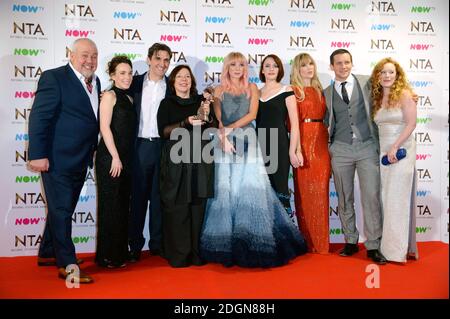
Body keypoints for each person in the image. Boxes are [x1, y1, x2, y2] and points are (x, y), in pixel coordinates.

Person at [200, 52, 307, 268]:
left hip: (247, 142)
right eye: (233, 64)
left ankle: (253, 242)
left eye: (241, 64)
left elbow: (252, 116)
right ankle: (226, 244)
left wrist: (229, 130)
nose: (237, 68)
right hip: (225, 145)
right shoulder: (218, 90)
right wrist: (223, 135)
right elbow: (219, 118)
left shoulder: (253, 89)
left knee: (250, 192)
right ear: (227, 67)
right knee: (226, 193)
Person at [28, 38, 100, 283]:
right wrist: (38, 154)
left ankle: (49, 251)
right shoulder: (54, 78)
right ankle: (67, 264)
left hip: (81, 158)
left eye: (94, 55)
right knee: (60, 209)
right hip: (57, 159)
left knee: (64, 209)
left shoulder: (96, 82)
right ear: (71, 55)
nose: (89, 60)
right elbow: (39, 118)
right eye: (84, 55)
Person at [324, 49, 386, 264]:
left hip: (367, 146)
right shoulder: (325, 92)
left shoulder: (367, 82)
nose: (343, 66)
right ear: (331, 66)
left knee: (371, 196)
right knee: (344, 197)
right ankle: (350, 240)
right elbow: (323, 122)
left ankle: (374, 245)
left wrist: (409, 97)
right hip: (340, 149)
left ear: (352, 63)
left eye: (347, 62)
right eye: (339, 63)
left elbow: (390, 92)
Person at [157, 65, 217, 268]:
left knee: (198, 206)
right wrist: (185, 122)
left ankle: (196, 253)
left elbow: (213, 127)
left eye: (187, 77)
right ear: (173, 82)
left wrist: (207, 116)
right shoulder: (166, 103)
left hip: (200, 159)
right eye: (179, 77)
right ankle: (179, 255)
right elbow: (163, 131)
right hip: (176, 161)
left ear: (192, 81)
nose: (184, 80)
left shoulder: (202, 102)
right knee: (178, 206)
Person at [370, 57, 418, 263]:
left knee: (397, 199)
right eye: (383, 72)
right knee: (387, 199)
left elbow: (411, 123)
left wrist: (396, 146)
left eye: (391, 72)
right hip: (384, 153)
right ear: (377, 76)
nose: (387, 76)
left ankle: (396, 252)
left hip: (401, 150)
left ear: (397, 75)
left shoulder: (405, 94)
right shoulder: (377, 96)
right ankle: (389, 247)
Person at [128, 43, 172, 262]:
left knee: (159, 199)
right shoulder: (133, 83)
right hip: (139, 147)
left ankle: (157, 244)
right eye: (158, 59)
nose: (162, 64)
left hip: (163, 147)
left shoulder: (172, 86)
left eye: (166, 60)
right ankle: (134, 245)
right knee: (137, 199)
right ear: (148, 59)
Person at [95, 56, 136, 268]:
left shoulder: (130, 98)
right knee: (110, 206)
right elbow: (104, 128)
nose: (127, 77)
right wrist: (115, 157)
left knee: (121, 207)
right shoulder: (109, 96)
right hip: (111, 158)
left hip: (126, 159)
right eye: (122, 73)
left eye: (129, 73)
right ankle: (106, 256)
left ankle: (119, 253)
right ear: (112, 75)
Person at [290, 53, 331, 254]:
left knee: (321, 192)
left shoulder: (320, 90)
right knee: (304, 193)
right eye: (304, 65)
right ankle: (308, 242)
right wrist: (297, 148)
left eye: (311, 64)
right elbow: (292, 123)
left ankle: (322, 244)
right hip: (303, 141)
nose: (309, 68)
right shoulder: (293, 91)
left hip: (322, 143)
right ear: (297, 69)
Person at [256, 54, 302, 223]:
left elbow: (295, 125)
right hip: (259, 146)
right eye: (267, 66)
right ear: (262, 70)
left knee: (280, 188)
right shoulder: (256, 93)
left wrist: (293, 151)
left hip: (280, 145)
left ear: (280, 70)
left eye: (274, 66)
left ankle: (286, 238)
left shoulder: (287, 90)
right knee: (263, 191)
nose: (271, 69)